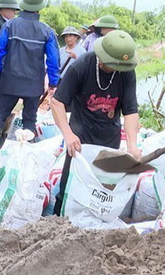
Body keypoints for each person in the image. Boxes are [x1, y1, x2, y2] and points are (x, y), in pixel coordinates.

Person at [51, 30, 141, 215]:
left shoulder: (126, 73)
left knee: (102, 191)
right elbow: (57, 102)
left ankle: (95, 226)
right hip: (79, 139)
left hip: (109, 139)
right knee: (70, 187)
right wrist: (68, 134)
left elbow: (130, 111)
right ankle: (59, 221)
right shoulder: (81, 67)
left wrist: (132, 145)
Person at [0, 0, 60, 146]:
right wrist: (54, 82)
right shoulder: (47, 31)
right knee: (29, 121)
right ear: (39, 8)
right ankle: (26, 152)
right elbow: (53, 59)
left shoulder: (10, 25)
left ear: (23, 6)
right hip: (33, 85)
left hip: (10, 81)